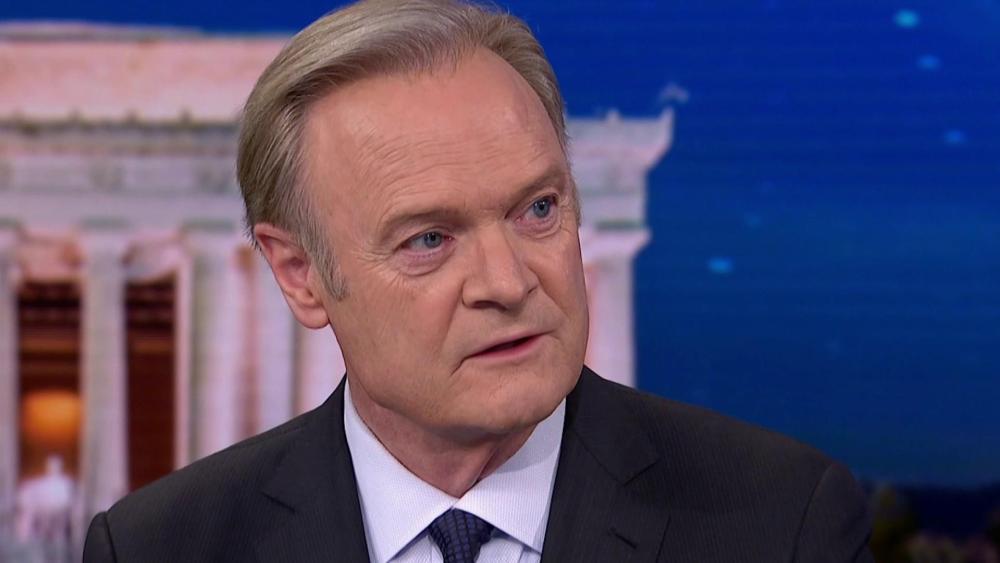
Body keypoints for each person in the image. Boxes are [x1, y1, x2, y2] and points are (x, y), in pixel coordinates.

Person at [83, 1, 874, 561]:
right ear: (301, 275)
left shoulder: (782, 521)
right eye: (429, 239)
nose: (507, 281)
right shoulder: (160, 546)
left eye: (538, 209)